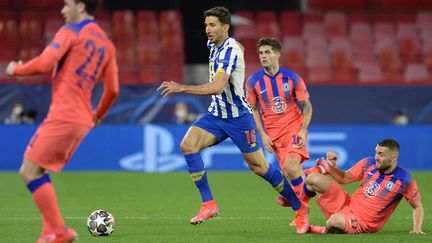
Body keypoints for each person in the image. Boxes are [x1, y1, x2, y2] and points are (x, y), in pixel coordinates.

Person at [158, 6, 309, 233]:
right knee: (188, 145)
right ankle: (208, 204)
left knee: (260, 168)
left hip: (239, 118)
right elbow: (237, 46)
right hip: (217, 114)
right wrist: (237, 45)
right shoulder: (215, 44)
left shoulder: (229, 51)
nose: (207, 29)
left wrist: (182, 87)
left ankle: (299, 207)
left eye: (212, 25)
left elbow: (218, 87)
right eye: (206, 24)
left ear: (225, 27)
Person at [5, 0, 119, 242]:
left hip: (64, 115)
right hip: (82, 119)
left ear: (80, 6)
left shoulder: (71, 31)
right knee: (39, 170)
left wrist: (16, 69)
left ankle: (59, 232)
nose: (62, 10)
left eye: (67, 4)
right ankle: (49, 232)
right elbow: (113, 90)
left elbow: (46, 63)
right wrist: (97, 115)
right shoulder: (106, 44)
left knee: (28, 171)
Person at [245, 38, 328, 223]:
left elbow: (307, 106)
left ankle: (300, 211)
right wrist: (263, 134)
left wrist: (303, 130)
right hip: (274, 136)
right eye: (260, 53)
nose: (263, 56)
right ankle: (320, 169)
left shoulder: (292, 78)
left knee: (291, 168)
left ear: (277, 54)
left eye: (267, 52)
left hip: (293, 128)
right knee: (293, 174)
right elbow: (254, 109)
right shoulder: (253, 81)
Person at [305, 139, 424, 235]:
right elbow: (344, 178)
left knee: (333, 221)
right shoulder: (368, 163)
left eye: (381, 154)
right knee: (313, 178)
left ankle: (324, 230)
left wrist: (416, 228)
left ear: (393, 158)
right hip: (347, 203)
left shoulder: (405, 179)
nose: (376, 157)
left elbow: (417, 206)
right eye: (376, 152)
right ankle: (301, 214)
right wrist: (332, 168)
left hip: (363, 221)